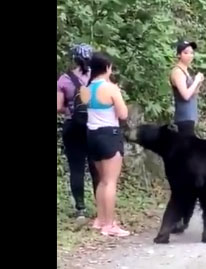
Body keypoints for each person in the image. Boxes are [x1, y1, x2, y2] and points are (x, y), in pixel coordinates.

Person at [81, 52, 130, 237]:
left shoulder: (86, 88)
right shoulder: (110, 88)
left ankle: (100, 219)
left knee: (102, 180)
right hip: (109, 134)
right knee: (111, 181)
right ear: (107, 67)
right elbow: (123, 113)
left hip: (92, 135)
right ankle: (109, 225)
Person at [57, 44, 98, 221]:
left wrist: (70, 110)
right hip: (94, 126)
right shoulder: (97, 77)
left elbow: (58, 107)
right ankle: (102, 206)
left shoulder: (64, 80)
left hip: (73, 127)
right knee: (96, 167)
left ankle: (80, 209)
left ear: (73, 58)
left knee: (76, 168)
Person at [169, 40, 205, 136]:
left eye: (191, 53)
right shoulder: (178, 72)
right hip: (183, 118)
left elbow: (194, 93)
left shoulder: (186, 71)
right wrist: (196, 80)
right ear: (179, 55)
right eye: (186, 53)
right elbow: (185, 95)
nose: (190, 55)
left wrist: (198, 83)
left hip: (190, 116)